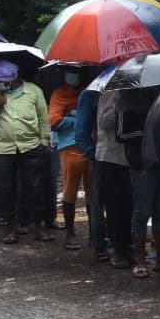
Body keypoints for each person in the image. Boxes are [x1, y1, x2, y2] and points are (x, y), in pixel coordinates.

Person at [0, 60, 52, 244]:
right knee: (5, 189)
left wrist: (43, 141)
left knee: (35, 188)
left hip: (31, 147)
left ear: (11, 79)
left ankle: (38, 227)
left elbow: (43, 118)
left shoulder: (33, 91)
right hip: (2, 149)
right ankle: (12, 229)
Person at [119, 88, 160, 279]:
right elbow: (121, 134)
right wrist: (147, 131)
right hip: (141, 166)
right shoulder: (126, 101)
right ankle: (141, 261)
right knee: (141, 213)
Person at [48, 68, 90, 250]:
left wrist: (72, 115)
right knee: (70, 192)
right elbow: (54, 121)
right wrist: (79, 118)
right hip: (69, 147)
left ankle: (95, 234)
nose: (71, 74)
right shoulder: (59, 93)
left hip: (89, 147)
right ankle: (70, 233)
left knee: (93, 193)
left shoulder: (89, 90)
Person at [92, 90, 134, 269]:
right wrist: (119, 103)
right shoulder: (108, 96)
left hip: (130, 158)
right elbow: (104, 123)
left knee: (129, 204)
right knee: (115, 206)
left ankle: (129, 246)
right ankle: (118, 249)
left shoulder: (137, 95)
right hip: (110, 158)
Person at [73, 79, 109, 262]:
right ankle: (99, 243)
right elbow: (80, 131)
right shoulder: (90, 94)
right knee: (98, 202)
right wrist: (91, 152)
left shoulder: (123, 89)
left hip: (120, 155)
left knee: (122, 202)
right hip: (99, 156)